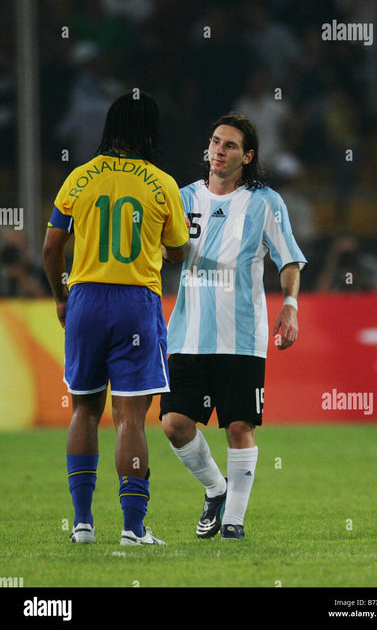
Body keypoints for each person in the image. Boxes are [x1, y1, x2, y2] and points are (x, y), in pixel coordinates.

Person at [42, 91, 190, 545]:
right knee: (130, 418)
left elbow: (51, 247)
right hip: (135, 303)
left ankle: (82, 524)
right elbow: (180, 250)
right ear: (150, 130)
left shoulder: (79, 178)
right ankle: (132, 528)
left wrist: (62, 296)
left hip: (85, 298)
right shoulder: (161, 182)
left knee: (85, 409)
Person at [160, 113, 307, 539]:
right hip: (188, 332)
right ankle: (215, 487)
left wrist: (291, 305)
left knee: (240, 426)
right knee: (174, 423)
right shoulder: (181, 198)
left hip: (243, 337)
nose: (218, 151)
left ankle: (233, 523)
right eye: (214, 142)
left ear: (248, 156)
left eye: (229, 146)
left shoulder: (265, 202)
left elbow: (289, 259)